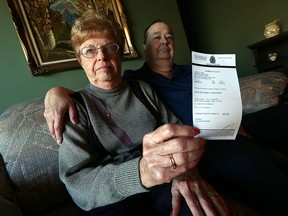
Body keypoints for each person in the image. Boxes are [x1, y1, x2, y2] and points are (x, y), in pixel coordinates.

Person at [44, 18, 288, 215]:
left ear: (120, 53)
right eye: (89, 50)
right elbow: (78, 184)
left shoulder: (143, 89)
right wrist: (142, 172)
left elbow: (177, 129)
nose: (101, 56)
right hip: (120, 191)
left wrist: (183, 169)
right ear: (80, 60)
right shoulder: (73, 108)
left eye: (109, 47)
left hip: (167, 174)